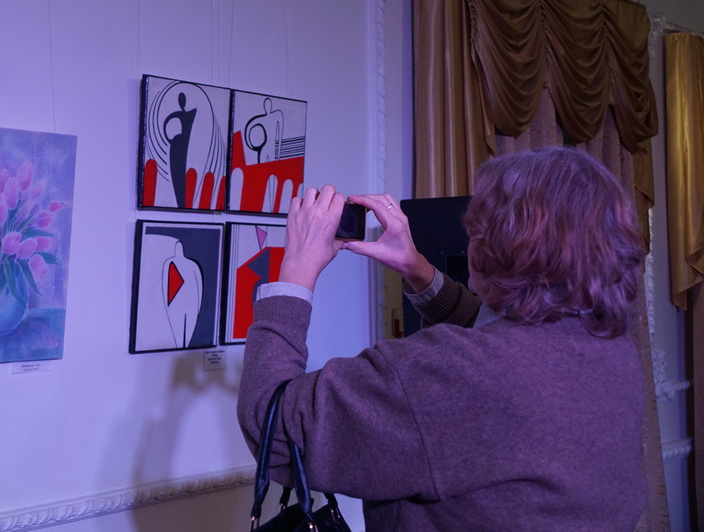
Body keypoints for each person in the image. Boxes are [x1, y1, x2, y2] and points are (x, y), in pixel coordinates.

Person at [237, 146, 647, 530]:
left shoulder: (454, 373)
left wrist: (296, 270)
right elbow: (503, 346)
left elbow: (271, 426)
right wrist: (416, 268)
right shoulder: (609, 348)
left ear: (497, 247)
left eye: (477, 230)